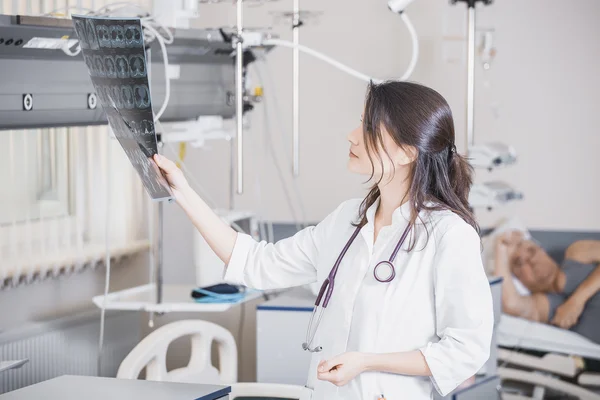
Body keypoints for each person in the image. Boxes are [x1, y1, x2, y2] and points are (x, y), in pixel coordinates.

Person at [154, 81, 493, 400]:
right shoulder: (347, 221)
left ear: (407, 153)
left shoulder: (448, 234)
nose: (352, 136)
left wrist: (368, 361)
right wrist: (182, 192)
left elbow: (467, 348)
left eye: (369, 128)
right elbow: (256, 265)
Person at [494, 231, 600, 343]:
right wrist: (500, 249)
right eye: (519, 262)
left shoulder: (577, 253)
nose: (531, 260)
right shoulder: (543, 307)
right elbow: (511, 304)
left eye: (532, 251)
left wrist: (576, 301)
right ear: (518, 279)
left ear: (542, 250)